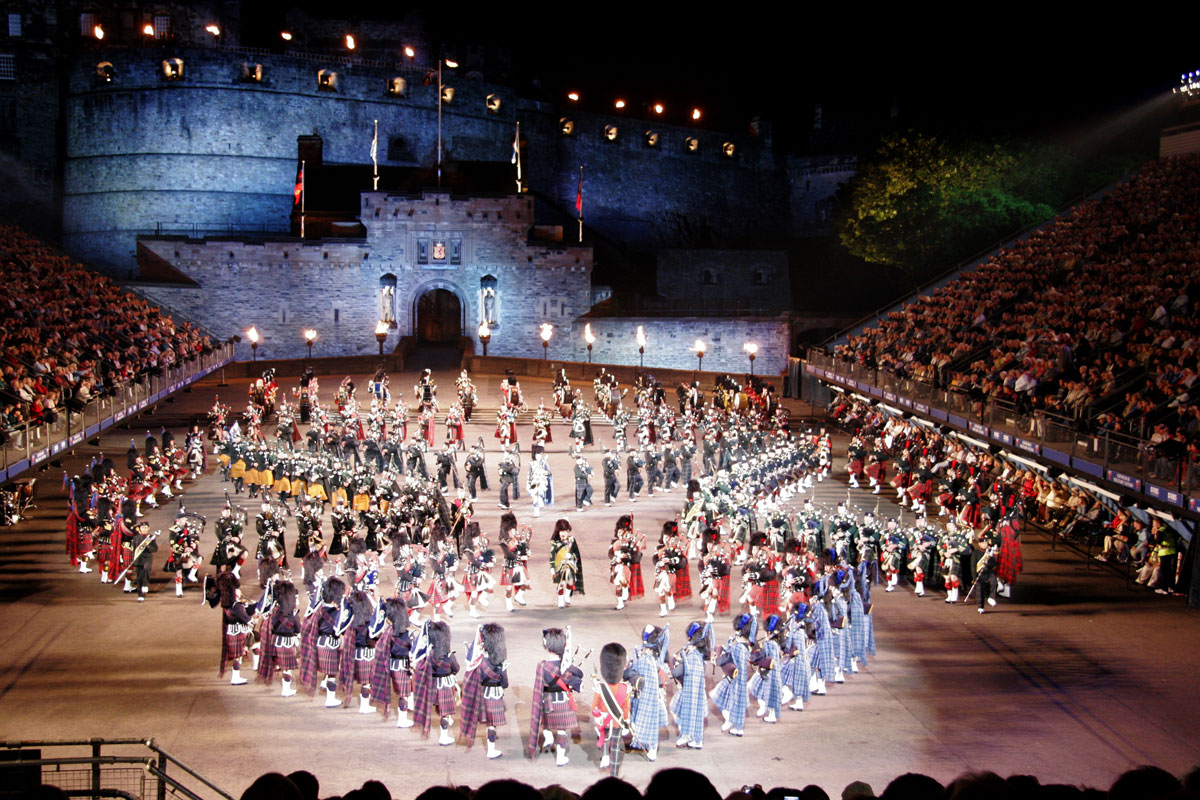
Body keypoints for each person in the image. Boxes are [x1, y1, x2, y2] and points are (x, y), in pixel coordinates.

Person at [526, 627, 583, 766]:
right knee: (562, 731)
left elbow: (538, 689)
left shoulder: (543, 665)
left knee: (546, 723)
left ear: (546, 645)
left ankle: (548, 737)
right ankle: (561, 757)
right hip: (563, 702)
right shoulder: (567, 667)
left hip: (548, 703)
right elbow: (579, 685)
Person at [298, 576, 351, 707]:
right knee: (332, 672)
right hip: (329, 644)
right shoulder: (335, 613)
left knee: (327, 669)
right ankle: (330, 698)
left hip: (317, 643)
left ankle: (323, 682)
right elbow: (340, 630)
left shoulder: (318, 609)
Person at [459, 623, 510, 758]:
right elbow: (505, 684)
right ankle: (491, 749)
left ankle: (490, 743)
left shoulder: (479, 663)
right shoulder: (499, 663)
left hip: (482, 695)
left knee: (488, 723)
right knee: (492, 725)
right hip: (495, 696)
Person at [368, 597, 416, 727]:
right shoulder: (407, 635)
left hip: (392, 665)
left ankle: (410, 704)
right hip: (402, 666)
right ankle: (402, 719)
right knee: (403, 695)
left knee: (405, 691)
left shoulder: (388, 632)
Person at [413, 620, 461, 746]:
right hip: (446, 684)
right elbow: (456, 668)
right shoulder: (448, 656)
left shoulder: (429, 655)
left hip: (433, 684)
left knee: (441, 708)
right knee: (445, 713)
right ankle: (443, 737)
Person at [625, 625, 669, 761]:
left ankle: (653, 749)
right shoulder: (642, 653)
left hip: (651, 695)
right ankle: (642, 741)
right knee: (636, 719)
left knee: (650, 722)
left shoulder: (652, 659)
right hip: (640, 693)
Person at [257, 580, 301, 697]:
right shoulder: (293, 616)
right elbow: (298, 629)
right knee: (287, 669)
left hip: (276, 641)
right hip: (287, 642)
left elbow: (272, 626)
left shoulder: (276, 612)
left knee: (283, 667)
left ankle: (286, 688)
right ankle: (286, 690)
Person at [669, 621, 710, 750]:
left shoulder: (691, 654)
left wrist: (673, 668)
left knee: (677, 709)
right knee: (696, 714)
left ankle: (686, 735)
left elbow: (678, 671)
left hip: (688, 690)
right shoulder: (702, 651)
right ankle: (696, 740)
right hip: (699, 689)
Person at [592, 642, 631, 771]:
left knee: (603, 739)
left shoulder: (600, 688)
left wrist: (597, 716)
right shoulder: (625, 689)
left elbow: (594, 707)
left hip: (603, 720)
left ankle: (604, 756)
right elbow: (626, 709)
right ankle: (614, 770)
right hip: (617, 721)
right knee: (615, 744)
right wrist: (626, 721)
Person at [712, 613, 752, 737]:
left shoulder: (740, 646)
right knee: (718, 696)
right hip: (730, 677)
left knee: (734, 702)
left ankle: (737, 726)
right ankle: (731, 721)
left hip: (735, 679)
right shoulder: (739, 640)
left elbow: (740, 667)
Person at [217, 571, 253, 684]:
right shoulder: (236, 605)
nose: (239, 591)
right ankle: (235, 677)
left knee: (238, 656)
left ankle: (236, 676)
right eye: (236, 589)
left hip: (232, 632)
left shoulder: (227, 603)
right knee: (238, 657)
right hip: (238, 632)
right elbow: (247, 620)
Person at [748, 614, 783, 724]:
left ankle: (771, 714)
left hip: (768, 672)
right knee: (759, 689)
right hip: (773, 672)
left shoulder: (769, 643)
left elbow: (765, 656)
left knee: (765, 692)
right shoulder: (776, 642)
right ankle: (764, 708)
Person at [549, 519, 584, 608]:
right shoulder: (555, 543)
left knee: (570, 581)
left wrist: (571, 555)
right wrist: (552, 568)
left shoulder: (572, 541)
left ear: (568, 531)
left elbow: (576, 553)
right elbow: (552, 556)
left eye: (564, 531)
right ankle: (560, 599)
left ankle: (567, 595)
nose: (563, 533)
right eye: (561, 531)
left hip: (570, 564)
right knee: (560, 584)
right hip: (558, 566)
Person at [129, 520, 159, 602]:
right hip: (138, 558)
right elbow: (134, 549)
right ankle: (140, 594)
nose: (144, 529)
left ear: (148, 528)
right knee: (139, 577)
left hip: (147, 557)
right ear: (140, 529)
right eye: (142, 527)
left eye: (146, 527)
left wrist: (149, 547)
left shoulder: (151, 537)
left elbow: (155, 549)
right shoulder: (136, 538)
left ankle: (145, 585)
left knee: (146, 568)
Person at [527, 449, 553, 518]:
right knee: (535, 496)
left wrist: (544, 473)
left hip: (542, 482)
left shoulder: (544, 463)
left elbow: (549, 472)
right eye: (537, 455)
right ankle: (536, 511)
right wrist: (529, 483)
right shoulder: (532, 464)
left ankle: (541, 500)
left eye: (539, 455)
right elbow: (529, 474)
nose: (538, 456)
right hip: (534, 482)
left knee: (540, 494)